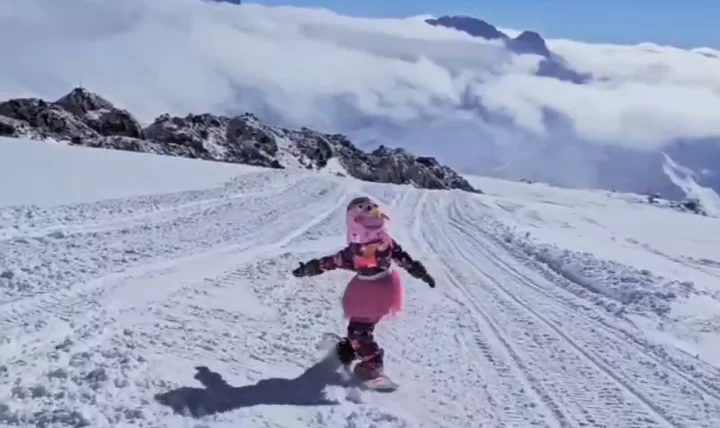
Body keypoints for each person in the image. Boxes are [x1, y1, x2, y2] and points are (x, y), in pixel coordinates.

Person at [291, 196, 435, 379]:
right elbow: (404, 259)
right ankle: (353, 348)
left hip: (372, 292)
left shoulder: (355, 252)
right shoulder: (386, 243)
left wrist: (308, 269)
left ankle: (372, 361)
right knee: (362, 324)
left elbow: (329, 262)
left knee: (358, 329)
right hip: (385, 286)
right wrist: (420, 273)